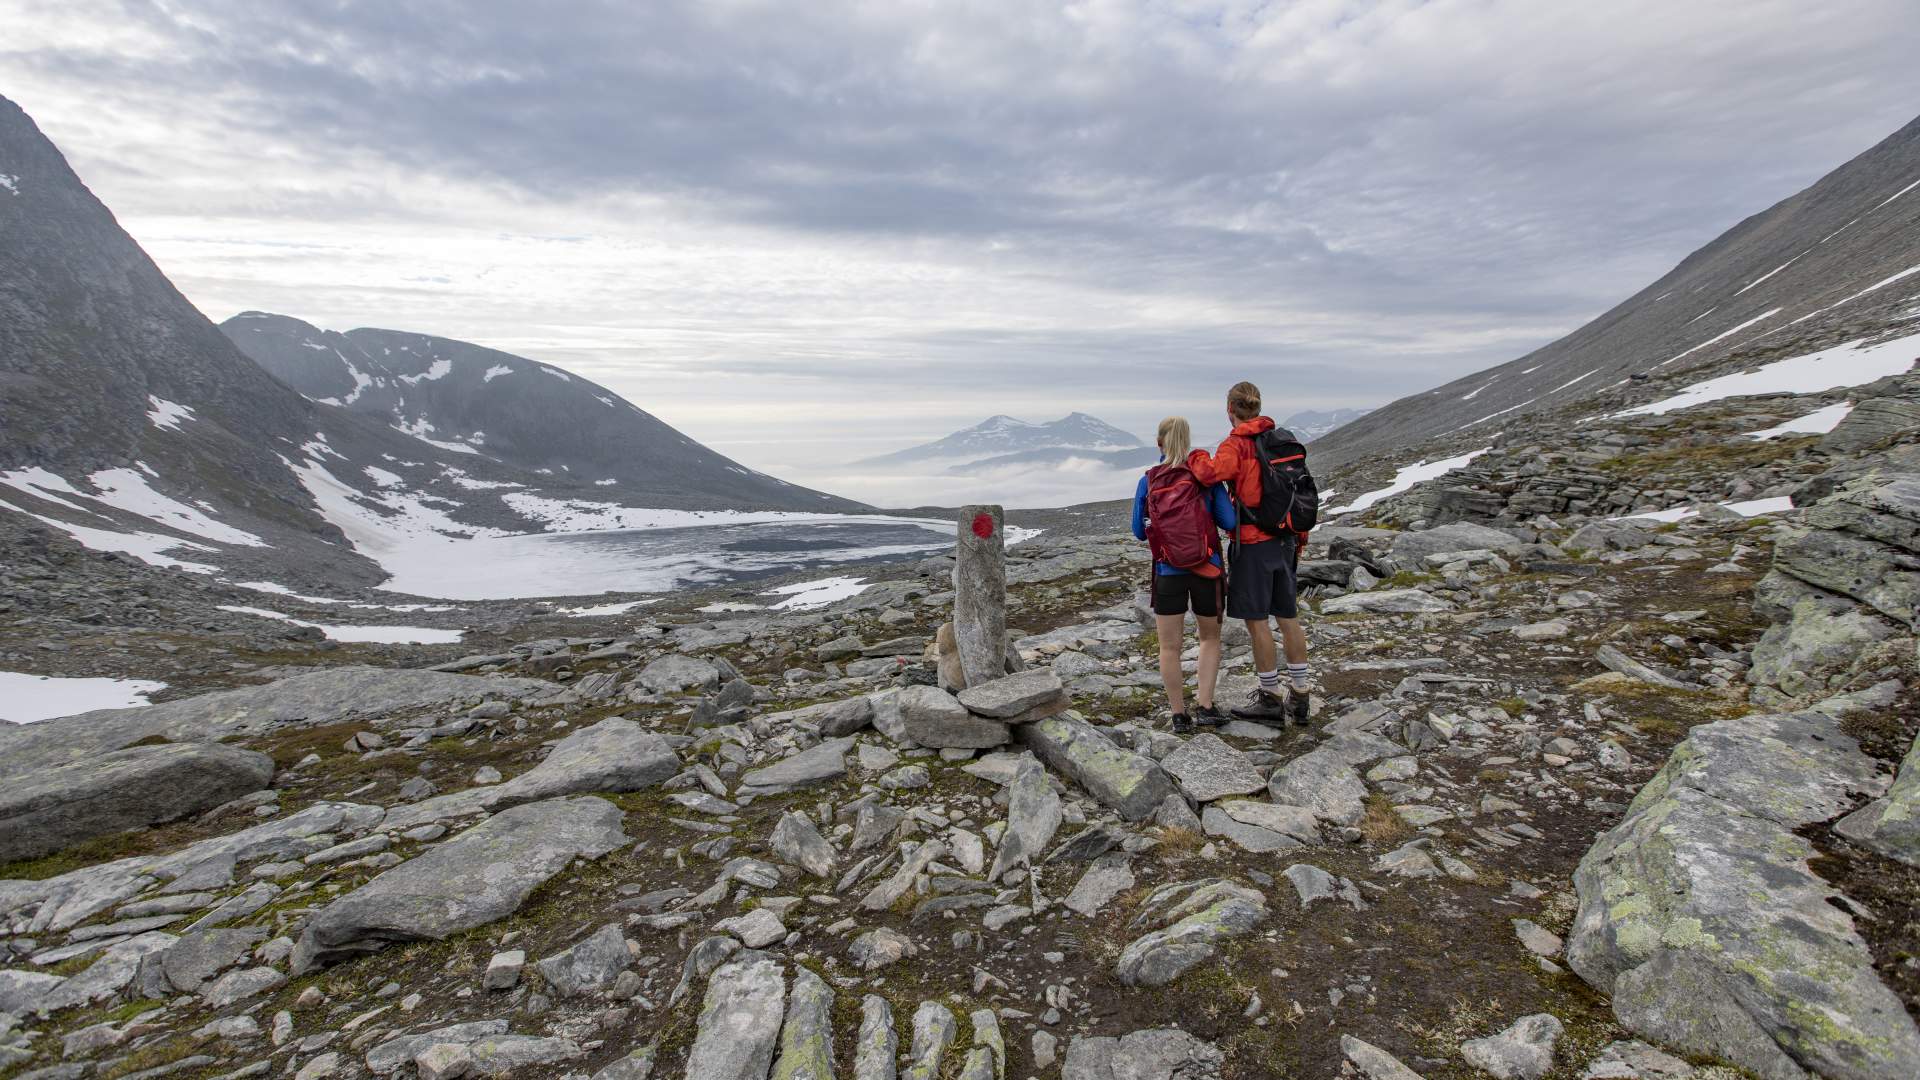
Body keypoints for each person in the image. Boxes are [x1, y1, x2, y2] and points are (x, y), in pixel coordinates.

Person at [1186, 381, 1313, 727]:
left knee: (1258, 623)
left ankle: (1270, 698)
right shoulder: (1283, 438)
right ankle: (1300, 696)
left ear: (1230, 409)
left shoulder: (1237, 445)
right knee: (1288, 618)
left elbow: (1209, 474)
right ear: (1258, 407)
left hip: (1254, 544)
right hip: (1286, 540)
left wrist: (1195, 455)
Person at [1131, 417, 1235, 733]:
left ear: (1159, 443)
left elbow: (1139, 531)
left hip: (1167, 571)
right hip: (1206, 568)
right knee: (1209, 638)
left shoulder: (1148, 481)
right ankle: (1205, 706)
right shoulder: (1205, 478)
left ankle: (1179, 715)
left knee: (1169, 648)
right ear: (1188, 442)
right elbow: (1229, 520)